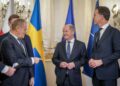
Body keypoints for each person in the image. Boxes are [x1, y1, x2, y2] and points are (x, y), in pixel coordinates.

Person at [0, 19, 40, 86]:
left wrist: (31, 76)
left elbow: (26, 57)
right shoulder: (6, 41)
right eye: (24, 29)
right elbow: (14, 62)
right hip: (13, 81)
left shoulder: (22, 41)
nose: (25, 31)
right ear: (18, 28)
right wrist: (32, 60)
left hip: (25, 80)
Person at [89, 6, 120, 86]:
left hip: (108, 75)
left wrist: (101, 61)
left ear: (102, 16)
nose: (93, 17)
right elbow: (94, 51)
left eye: (95, 15)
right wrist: (91, 59)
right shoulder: (96, 34)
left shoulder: (115, 32)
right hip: (96, 75)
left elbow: (118, 52)